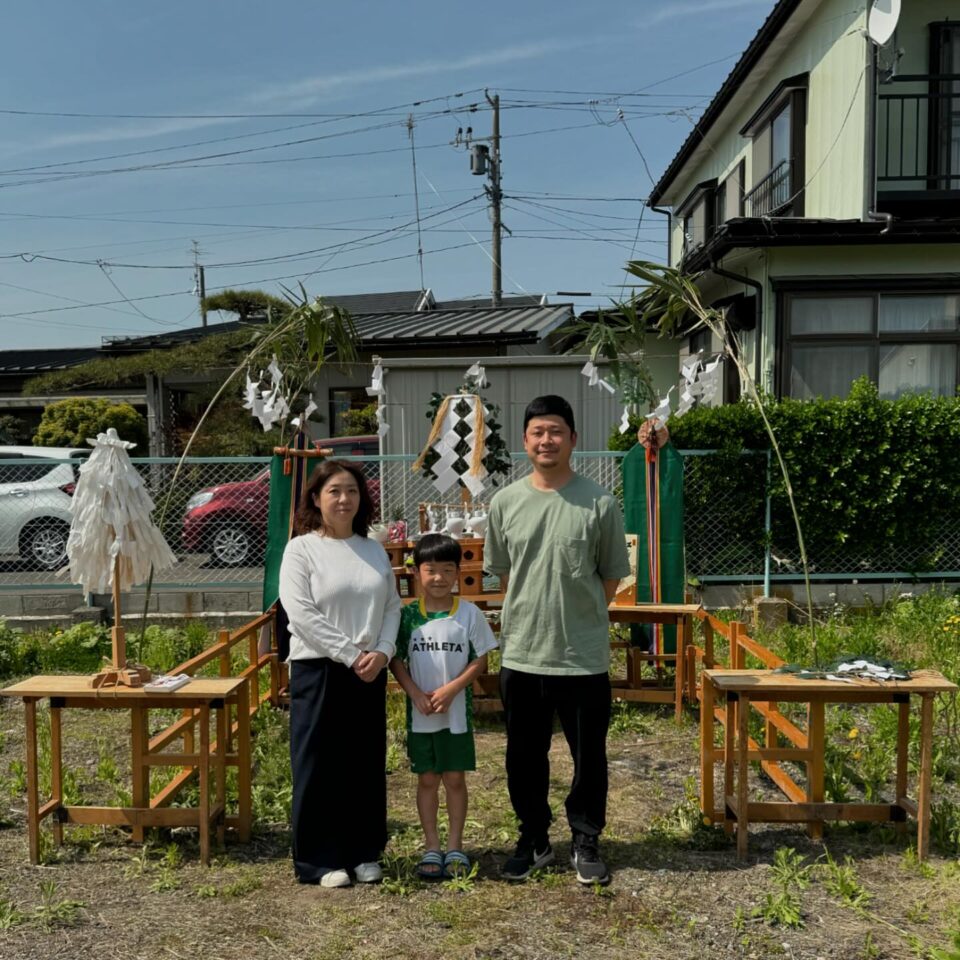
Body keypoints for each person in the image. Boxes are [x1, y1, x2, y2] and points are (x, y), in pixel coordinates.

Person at [485, 395, 630, 885]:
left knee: (589, 756)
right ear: (525, 441)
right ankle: (534, 838)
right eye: (537, 432)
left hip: (581, 656)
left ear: (573, 439)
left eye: (556, 431)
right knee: (523, 756)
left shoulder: (599, 503)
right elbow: (506, 576)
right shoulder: (504, 503)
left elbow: (610, 578)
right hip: (523, 652)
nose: (546, 440)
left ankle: (586, 837)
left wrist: (577, 616)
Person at [278, 459, 401, 888]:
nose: (344, 499)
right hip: (319, 668)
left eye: (351, 490)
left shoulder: (373, 549)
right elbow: (300, 612)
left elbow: (392, 606)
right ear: (316, 498)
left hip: (369, 669)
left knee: (364, 760)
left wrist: (383, 651)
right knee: (317, 762)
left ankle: (364, 851)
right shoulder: (301, 549)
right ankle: (318, 859)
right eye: (334, 491)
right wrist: (350, 654)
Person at [390, 534, 498, 880]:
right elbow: (396, 660)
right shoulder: (407, 617)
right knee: (426, 779)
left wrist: (452, 689)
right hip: (421, 716)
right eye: (430, 570)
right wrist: (415, 694)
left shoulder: (469, 614)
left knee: (454, 778)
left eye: (447, 570)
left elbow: (480, 659)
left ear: (457, 573)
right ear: (416, 573)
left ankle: (455, 846)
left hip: (455, 717)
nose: (438, 577)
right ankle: (431, 847)